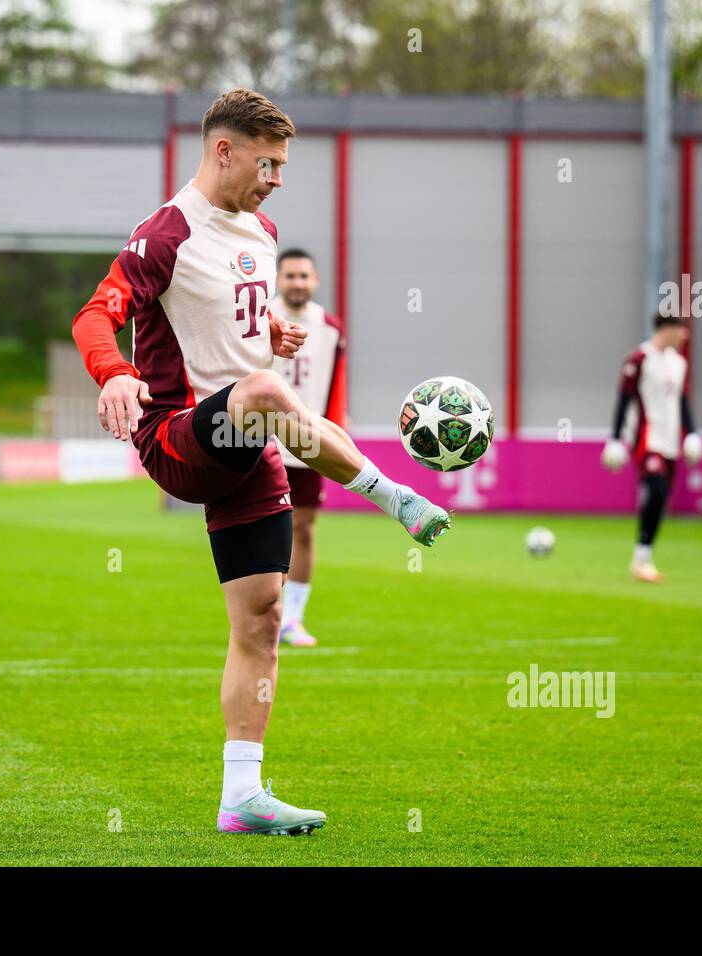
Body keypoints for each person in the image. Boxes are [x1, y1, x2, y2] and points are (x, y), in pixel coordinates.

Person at [72, 88, 450, 835]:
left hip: (248, 441)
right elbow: (95, 312)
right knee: (270, 393)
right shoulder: (166, 232)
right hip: (180, 435)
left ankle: (241, 796)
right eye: (267, 163)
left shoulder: (263, 228)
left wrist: (267, 330)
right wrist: (113, 372)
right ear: (224, 150)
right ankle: (393, 495)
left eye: (282, 164)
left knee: (261, 619)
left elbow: (224, 310)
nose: (276, 177)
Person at [268, 248, 347, 647]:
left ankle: (292, 620)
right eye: (290, 276)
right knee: (263, 528)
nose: (297, 283)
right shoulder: (259, 318)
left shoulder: (330, 327)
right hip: (260, 437)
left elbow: (335, 389)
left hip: (307, 441)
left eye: (304, 276)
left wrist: (331, 434)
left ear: (315, 281)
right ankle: (265, 614)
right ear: (278, 279)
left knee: (304, 529)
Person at [601, 312, 702, 583]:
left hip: (670, 441)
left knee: (661, 499)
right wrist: (614, 438)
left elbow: (682, 401)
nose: (685, 335)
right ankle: (641, 559)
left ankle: (643, 558)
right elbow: (623, 399)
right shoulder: (639, 359)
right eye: (681, 329)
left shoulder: (679, 363)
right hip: (647, 439)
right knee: (656, 489)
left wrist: (691, 434)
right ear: (667, 329)